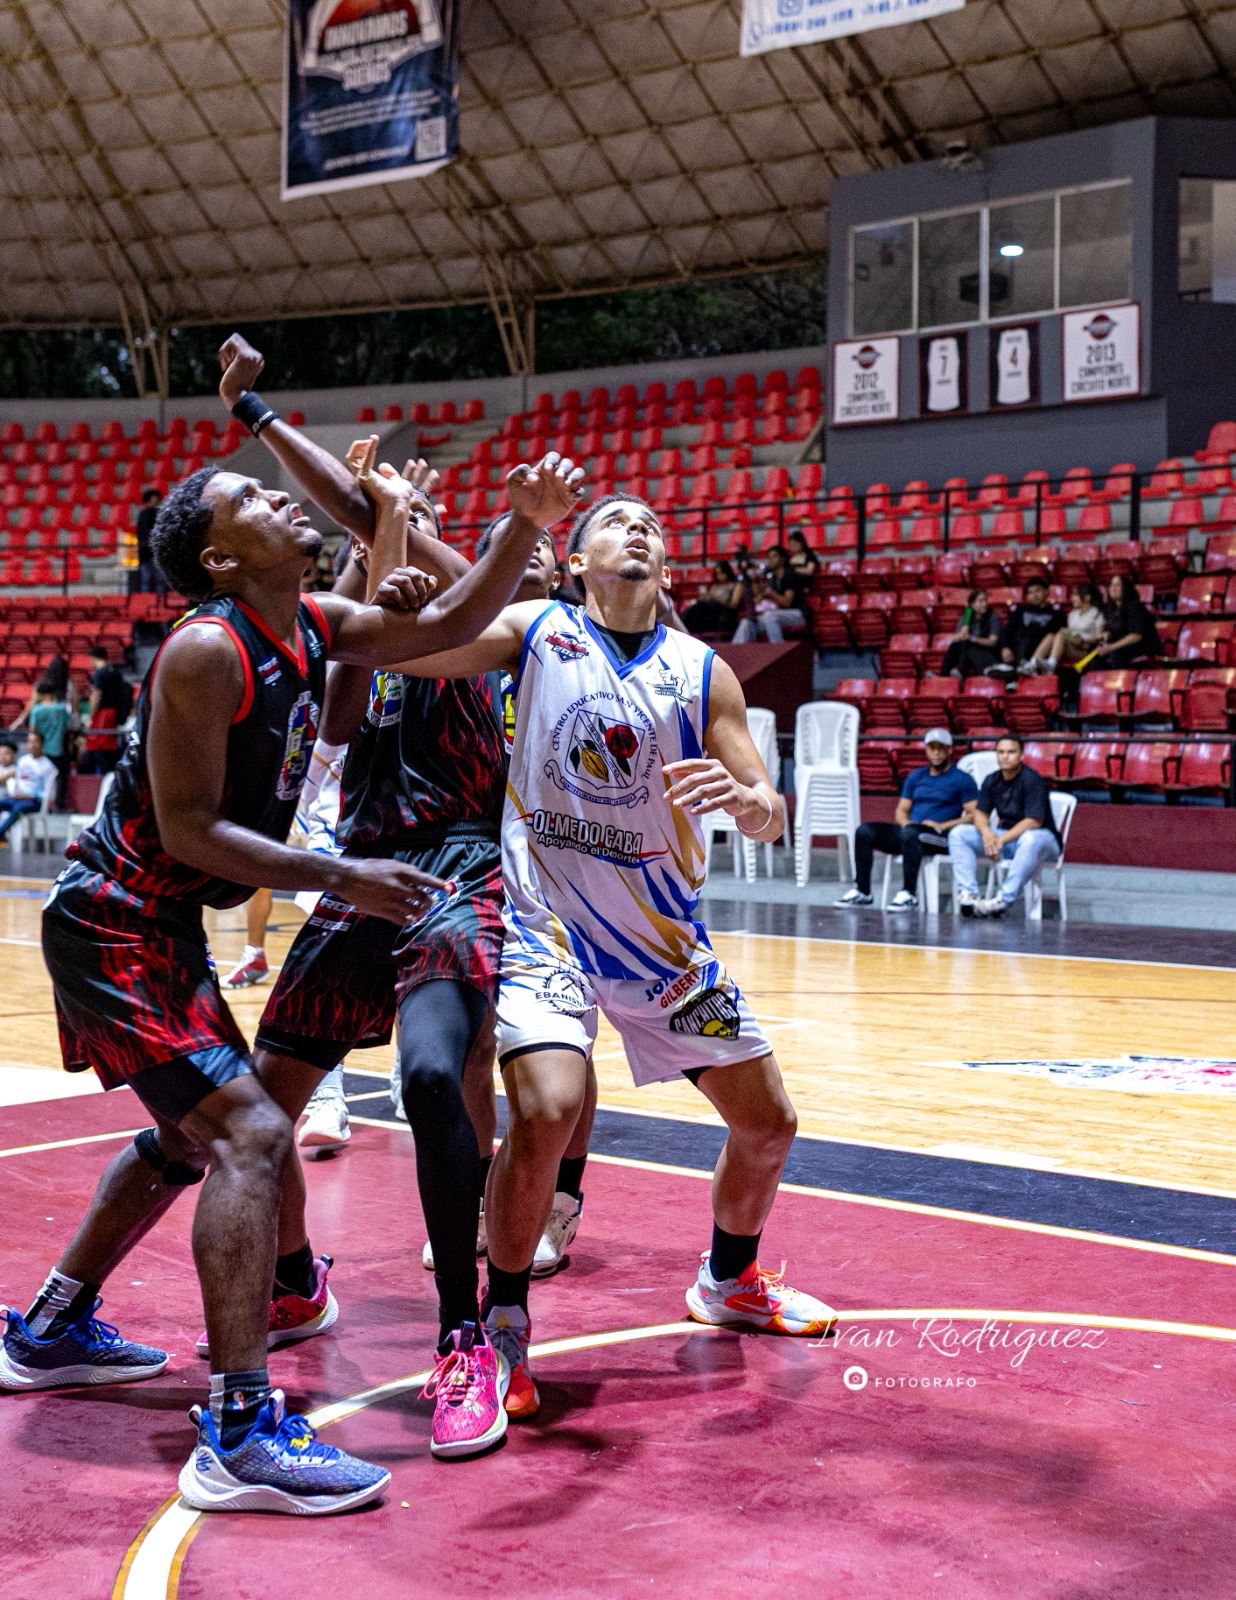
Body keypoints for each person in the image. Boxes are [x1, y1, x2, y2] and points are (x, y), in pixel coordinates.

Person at [0, 429, 577, 1515]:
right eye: (253, 503)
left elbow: (449, 623)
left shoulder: (310, 625)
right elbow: (189, 831)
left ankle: (54, 1322)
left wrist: (523, 527)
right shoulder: (206, 647)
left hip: (177, 925)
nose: (280, 505)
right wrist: (340, 873)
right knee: (254, 1134)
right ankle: (237, 1428)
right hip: (116, 918)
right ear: (221, 557)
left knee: (198, 1131)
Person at [208, 326, 591, 1462]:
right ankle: (289, 1283)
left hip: (459, 867)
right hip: (357, 870)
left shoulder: (492, 620)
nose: (391, 535)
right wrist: (262, 419)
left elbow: (367, 509)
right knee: (258, 1106)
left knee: (439, 1076)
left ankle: (464, 1332)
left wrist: (281, 431)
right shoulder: (355, 642)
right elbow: (355, 520)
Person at [390, 491, 836, 1430]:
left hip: (666, 952)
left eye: (654, 526)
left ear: (665, 569)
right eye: (616, 521)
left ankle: (729, 1278)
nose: (639, 530)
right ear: (578, 560)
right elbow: (419, 650)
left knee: (770, 1125)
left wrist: (750, 804)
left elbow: (769, 804)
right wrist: (390, 558)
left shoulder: (702, 671)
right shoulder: (537, 630)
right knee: (547, 1108)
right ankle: (500, 1328)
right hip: (548, 928)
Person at [836, 729, 978, 910]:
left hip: (941, 836)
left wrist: (942, 825)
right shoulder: (916, 777)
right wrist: (906, 824)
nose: (935, 752)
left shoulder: (962, 779)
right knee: (865, 831)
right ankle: (862, 891)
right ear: (926, 750)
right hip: (912, 832)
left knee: (912, 834)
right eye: (932, 748)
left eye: (940, 748)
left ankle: (909, 893)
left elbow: (974, 815)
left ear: (949, 750)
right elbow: (901, 810)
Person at [947, 733, 1061, 919]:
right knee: (959, 833)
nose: (1005, 756)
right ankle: (969, 895)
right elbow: (980, 814)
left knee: (1029, 837)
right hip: (1009, 840)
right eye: (1001, 752)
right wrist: (986, 835)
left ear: (1021, 755)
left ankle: (1003, 900)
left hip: (1043, 841)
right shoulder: (992, 780)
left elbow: (1033, 821)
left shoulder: (1032, 780)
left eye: (1011, 752)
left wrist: (999, 840)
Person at [732, 544, 809, 643]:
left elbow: (787, 602)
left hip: (798, 614)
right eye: (769, 557)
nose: (770, 560)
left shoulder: (789, 575)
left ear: (783, 559)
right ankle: (734, 654)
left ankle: (778, 650)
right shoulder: (772, 577)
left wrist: (768, 593)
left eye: (774, 556)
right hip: (779, 614)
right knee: (748, 621)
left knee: (770, 616)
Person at [79, 645, 132, 776]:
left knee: (99, 744)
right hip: (114, 713)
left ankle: (106, 775)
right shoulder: (115, 672)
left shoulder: (99, 673)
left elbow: (96, 695)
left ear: (93, 658)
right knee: (109, 743)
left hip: (103, 713)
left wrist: (90, 717)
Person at [1090, 573, 1161, 668]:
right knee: (1097, 654)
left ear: (1126, 588)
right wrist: (1106, 637)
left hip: (1142, 645)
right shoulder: (1112, 609)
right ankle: (1101, 681)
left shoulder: (1135, 607)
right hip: (1122, 646)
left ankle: (1121, 681)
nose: (1113, 588)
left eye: (1117, 585)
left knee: (1117, 653)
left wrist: (1111, 647)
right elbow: (1113, 631)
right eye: (1111, 585)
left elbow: (1136, 636)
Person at [995, 578, 1065, 675]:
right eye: (1030, 593)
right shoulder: (1020, 610)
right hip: (1018, 646)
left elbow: (1056, 636)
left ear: (1047, 591)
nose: (1034, 595)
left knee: (1031, 637)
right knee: (1023, 639)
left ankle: (1018, 672)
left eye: (1038, 591)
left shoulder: (1056, 613)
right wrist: (1005, 647)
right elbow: (1007, 630)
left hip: (1041, 648)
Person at [0, 728, 57, 845]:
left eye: (36, 742)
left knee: (18, 810)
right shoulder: (23, 761)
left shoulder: (48, 766)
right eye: (30, 742)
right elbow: (19, 781)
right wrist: (16, 792)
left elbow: (51, 794)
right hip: (17, 797)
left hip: (34, 801)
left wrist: (30, 796)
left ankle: (1, 834)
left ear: (42, 744)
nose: (33, 745)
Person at [1032, 581, 1104, 672]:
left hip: (1085, 649)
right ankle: (1032, 663)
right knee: (1051, 636)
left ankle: (1051, 664)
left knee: (1061, 634)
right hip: (1072, 644)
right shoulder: (1072, 614)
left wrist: (1083, 639)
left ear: (1087, 597)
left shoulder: (1096, 613)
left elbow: (1098, 638)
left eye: (1075, 595)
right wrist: (1070, 635)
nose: (1072, 598)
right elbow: (1070, 632)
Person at [24, 680, 72, 810]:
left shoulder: (37, 710)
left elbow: (32, 729)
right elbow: (69, 727)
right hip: (57, 750)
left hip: (41, 751)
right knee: (60, 781)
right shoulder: (62, 709)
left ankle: (42, 805)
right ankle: (59, 805)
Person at [941, 589, 1001, 678]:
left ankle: (960, 671)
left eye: (985, 600)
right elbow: (955, 638)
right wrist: (963, 633)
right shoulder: (966, 617)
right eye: (981, 601)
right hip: (967, 653)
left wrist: (972, 638)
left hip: (986, 652)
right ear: (972, 604)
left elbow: (992, 642)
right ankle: (944, 675)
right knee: (955, 645)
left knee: (969, 645)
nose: (984, 604)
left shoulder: (992, 617)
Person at [682, 560, 742, 636]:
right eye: (717, 574)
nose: (719, 576)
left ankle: (679, 622)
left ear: (727, 572)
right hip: (709, 612)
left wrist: (716, 598)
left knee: (700, 606)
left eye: (721, 573)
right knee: (697, 607)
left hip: (723, 613)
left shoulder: (736, 585)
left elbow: (733, 605)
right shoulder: (715, 586)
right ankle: (681, 624)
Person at [133, 488, 164, 594]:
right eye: (153, 500)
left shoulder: (161, 515)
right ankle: (145, 604)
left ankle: (160, 605)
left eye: (157, 500)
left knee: (159, 581)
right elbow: (143, 533)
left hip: (158, 555)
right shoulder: (143, 515)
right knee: (146, 580)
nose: (156, 503)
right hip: (146, 555)